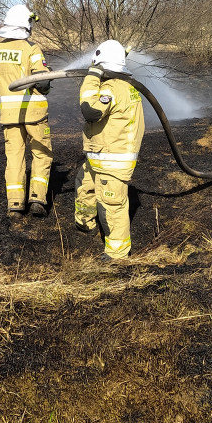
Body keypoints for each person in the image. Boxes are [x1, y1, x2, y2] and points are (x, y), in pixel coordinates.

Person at [75, 40, 144, 259]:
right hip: (101, 157)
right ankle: (85, 223)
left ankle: (117, 253)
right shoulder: (125, 88)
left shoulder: (112, 89)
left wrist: (91, 77)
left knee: (111, 206)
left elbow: (90, 111)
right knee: (84, 184)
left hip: (112, 161)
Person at [0, 4, 53, 218]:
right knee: (41, 154)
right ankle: (37, 198)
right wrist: (49, 75)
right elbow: (42, 83)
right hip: (33, 113)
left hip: (9, 115)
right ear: (26, 24)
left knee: (15, 158)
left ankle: (15, 204)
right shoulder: (31, 49)